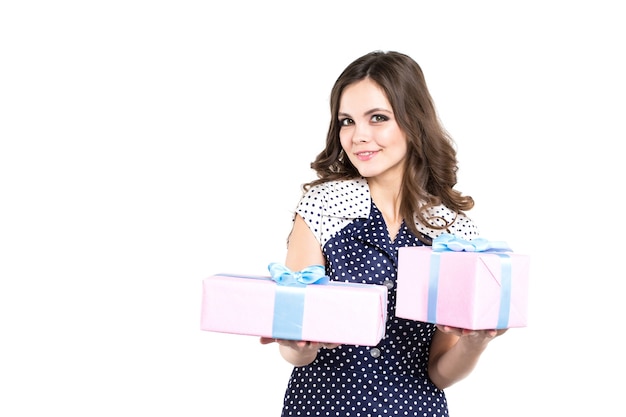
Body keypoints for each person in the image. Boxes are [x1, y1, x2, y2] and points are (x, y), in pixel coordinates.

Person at [260, 50, 506, 417]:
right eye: (346, 121)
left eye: (377, 118)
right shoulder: (320, 207)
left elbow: (438, 371)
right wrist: (297, 343)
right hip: (322, 407)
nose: (359, 136)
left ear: (413, 121)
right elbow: (296, 350)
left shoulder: (454, 231)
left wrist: (476, 343)